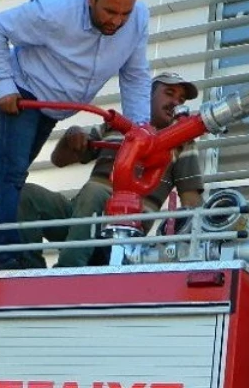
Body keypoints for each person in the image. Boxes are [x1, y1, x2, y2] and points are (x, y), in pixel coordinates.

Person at [0, 0, 152, 272]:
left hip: (52, 106)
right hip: (23, 95)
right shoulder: (53, 11)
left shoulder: (138, 21)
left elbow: (135, 74)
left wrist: (140, 127)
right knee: (10, 175)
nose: (116, 21)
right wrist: (4, 85)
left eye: (124, 13)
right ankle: (7, 258)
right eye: (109, 11)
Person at [17, 72, 203, 269]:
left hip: (126, 232)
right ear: (146, 94)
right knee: (24, 194)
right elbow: (59, 160)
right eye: (169, 93)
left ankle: (68, 271)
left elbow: (191, 204)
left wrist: (171, 248)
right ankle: (27, 271)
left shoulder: (183, 143)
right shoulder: (116, 126)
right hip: (81, 218)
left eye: (181, 99)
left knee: (95, 191)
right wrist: (71, 136)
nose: (176, 102)